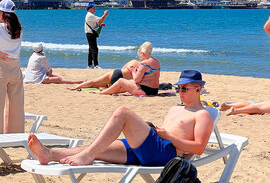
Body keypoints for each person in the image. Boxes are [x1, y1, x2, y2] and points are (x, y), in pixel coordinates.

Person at [27, 70, 213, 166]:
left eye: (184, 89)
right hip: (153, 146)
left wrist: (169, 137)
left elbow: (199, 147)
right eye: (178, 88)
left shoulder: (202, 115)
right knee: (97, 148)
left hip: (165, 152)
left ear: (198, 89)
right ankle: (48, 154)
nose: (180, 92)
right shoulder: (176, 107)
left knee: (123, 112)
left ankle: (87, 156)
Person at [0, 0, 25, 134]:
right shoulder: (19, 28)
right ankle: (15, 134)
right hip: (15, 66)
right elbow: (8, 32)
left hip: (1, 66)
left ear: (1, 12)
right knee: (16, 104)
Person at [67, 59, 140, 90]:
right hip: (121, 82)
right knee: (98, 85)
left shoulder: (133, 61)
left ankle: (76, 87)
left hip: (117, 74)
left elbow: (123, 68)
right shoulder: (141, 68)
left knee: (94, 82)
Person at [85, 2, 108, 69]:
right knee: (95, 49)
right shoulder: (90, 15)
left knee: (91, 49)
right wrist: (105, 14)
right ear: (91, 9)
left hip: (89, 33)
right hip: (90, 34)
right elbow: (100, 20)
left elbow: (97, 23)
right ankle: (96, 65)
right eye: (93, 8)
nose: (94, 9)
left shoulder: (89, 15)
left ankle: (90, 65)